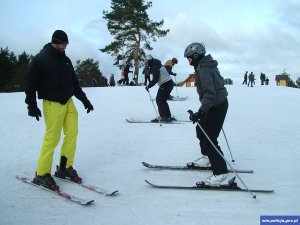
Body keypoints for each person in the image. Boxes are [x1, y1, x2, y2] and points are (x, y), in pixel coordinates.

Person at [25, 30, 94, 191]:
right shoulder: (40, 59)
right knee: (52, 138)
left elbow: (74, 83)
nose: (65, 48)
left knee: (72, 133)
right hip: (52, 102)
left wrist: (85, 100)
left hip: (68, 102)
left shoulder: (66, 60)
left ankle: (65, 167)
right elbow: (30, 84)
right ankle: (42, 174)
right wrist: (32, 105)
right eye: (63, 45)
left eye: (66, 45)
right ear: (55, 42)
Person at [184, 42, 228, 186]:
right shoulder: (203, 66)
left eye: (189, 58)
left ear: (196, 56)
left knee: (209, 138)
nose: (188, 60)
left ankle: (220, 174)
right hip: (214, 104)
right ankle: (209, 157)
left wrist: (201, 112)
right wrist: (202, 111)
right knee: (201, 129)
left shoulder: (204, 68)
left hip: (217, 105)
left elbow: (210, 93)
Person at [144, 55, 174, 122]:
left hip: (165, 84)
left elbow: (155, 79)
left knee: (159, 99)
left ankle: (163, 116)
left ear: (149, 61)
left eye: (146, 63)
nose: (147, 65)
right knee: (163, 100)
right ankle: (167, 116)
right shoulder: (157, 64)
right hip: (169, 84)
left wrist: (148, 86)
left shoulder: (155, 66)